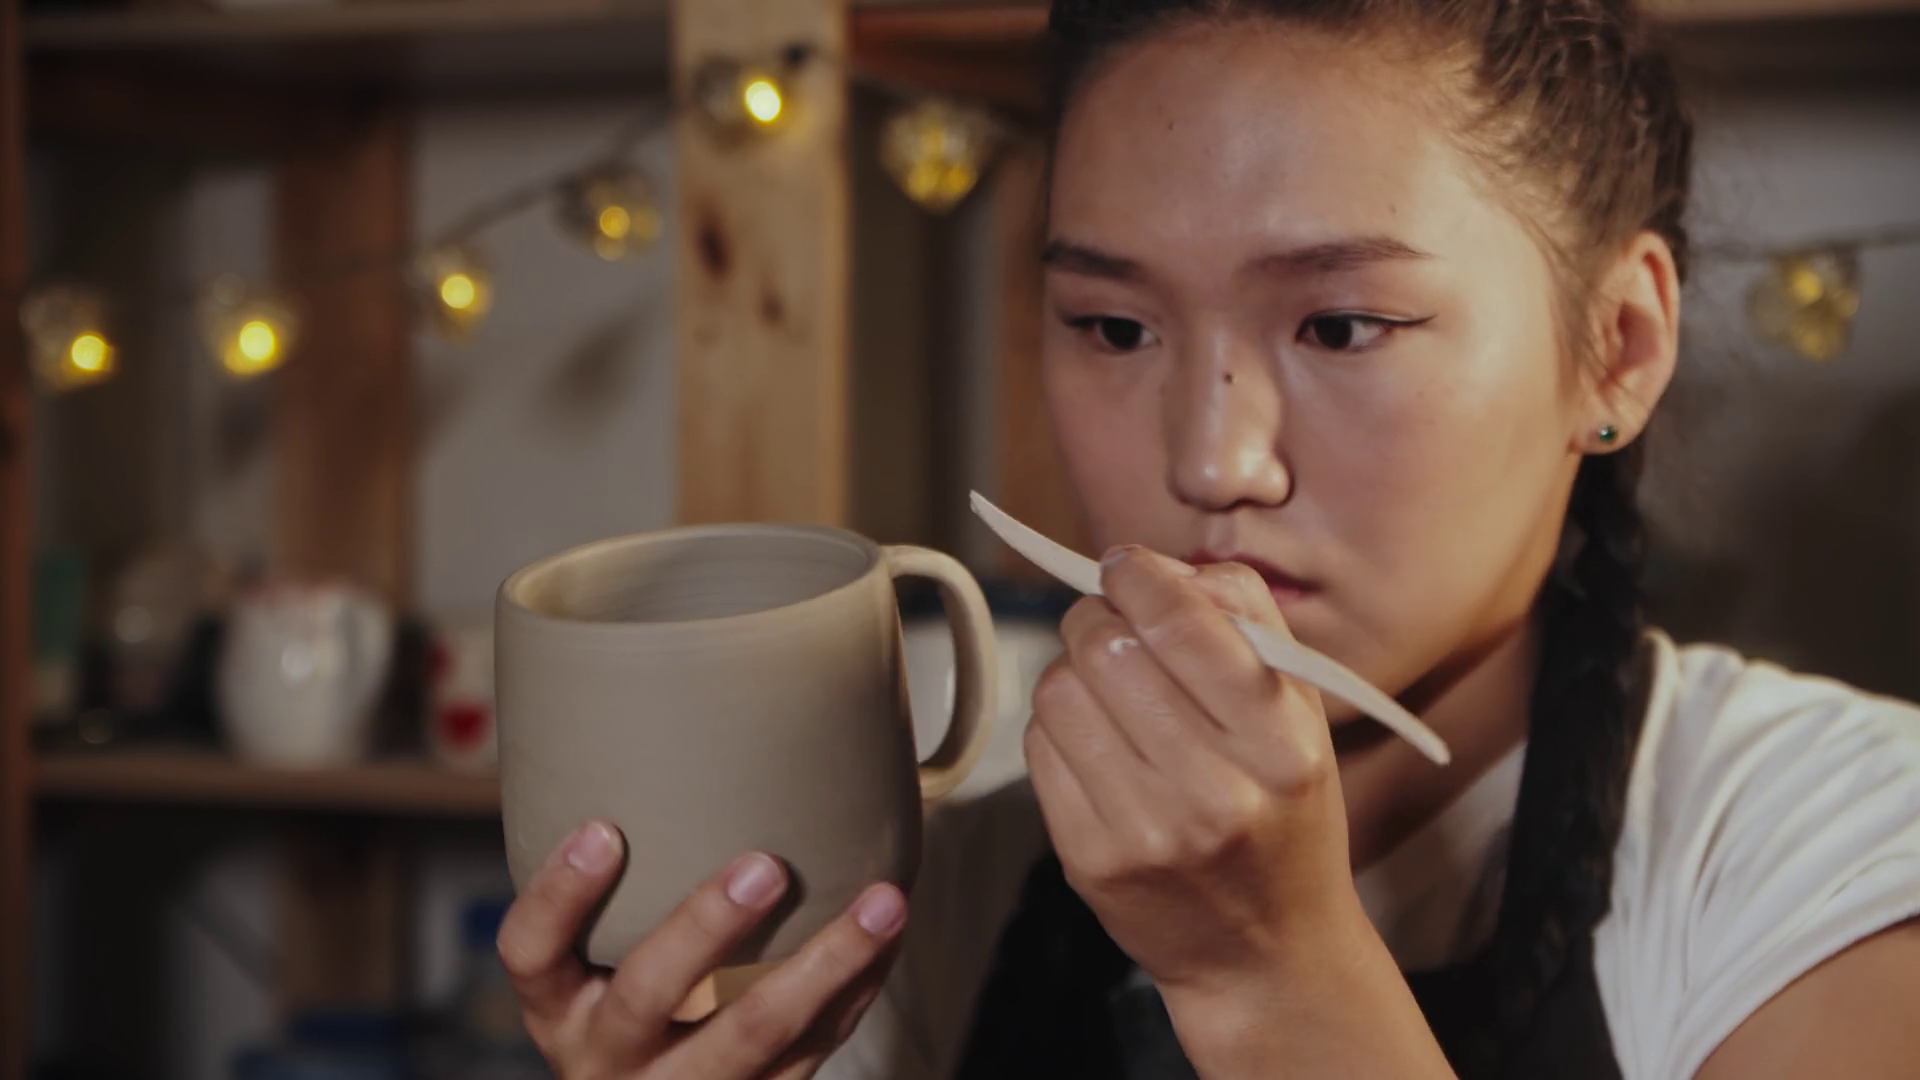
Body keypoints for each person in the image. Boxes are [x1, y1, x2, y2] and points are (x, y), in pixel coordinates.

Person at [493, 0, 1920, 1076]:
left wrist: (1269, 978)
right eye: (1114, 328)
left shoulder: (1824, 852)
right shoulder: (934, 902)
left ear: (1620, 345)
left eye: (1341, 327)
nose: (1213, 461)